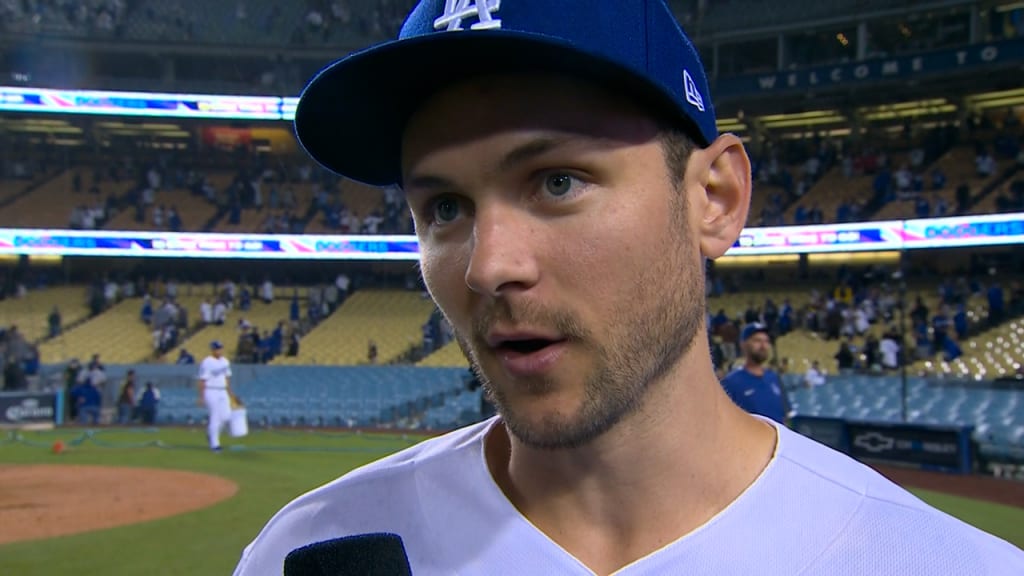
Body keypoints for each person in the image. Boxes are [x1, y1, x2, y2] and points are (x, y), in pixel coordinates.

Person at [234, 1, 1024, 574]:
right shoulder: (310, 554)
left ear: (714, 199)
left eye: (558, 182)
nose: (487, 265)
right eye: (443, 207)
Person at [720, 323, 788, 424]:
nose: (763, 346)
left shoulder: (774, 378)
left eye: (766, 341)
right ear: (743, 344)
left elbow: (785, 415)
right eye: (757, 341)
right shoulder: (731, 383)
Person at [198, 340, 234, 452]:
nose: (219, 350)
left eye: (220, 348)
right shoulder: (207, 362)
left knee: (226, 416)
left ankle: (211, 434)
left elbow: (227, 377)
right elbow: (202, 380)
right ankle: (215, 444)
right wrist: (201, 396)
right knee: (215, 416)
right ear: (212, 350)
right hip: (211, 390)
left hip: (222, 391)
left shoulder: (225, 361)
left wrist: (229, 392)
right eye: (217, 349)